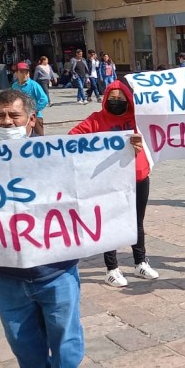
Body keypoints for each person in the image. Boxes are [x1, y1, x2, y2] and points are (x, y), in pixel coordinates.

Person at [0, 89, 87, 368]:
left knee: (65, 335)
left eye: (14, 116)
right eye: (0, 116)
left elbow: (94, 179)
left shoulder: (55, 155)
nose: (6, 122)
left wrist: (127, 153)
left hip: (55, 269)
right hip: (7, 271)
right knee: (22, 340)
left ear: (30, 120)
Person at [69, 81, 159, 288]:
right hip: (110, 182)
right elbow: (72, 139)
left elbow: (155, 135)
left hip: (138, 177)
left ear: (128, 100)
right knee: (110, 223)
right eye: (112, 98)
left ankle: (140, 262)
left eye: (120, 99)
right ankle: (112, 269)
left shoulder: (138, 120)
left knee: (138, 222)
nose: (116, 102)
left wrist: (141, 144)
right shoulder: (96, 120)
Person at [13, 62, 49, 136]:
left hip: (35, 118)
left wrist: (34, 110)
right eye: (22, 72)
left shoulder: (33, 85)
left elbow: (44, 99)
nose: (25, 74)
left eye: (26, 72)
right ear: (16, 73)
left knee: (39, 140)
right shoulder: (14, 86)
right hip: (21, 118)